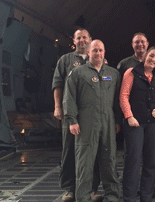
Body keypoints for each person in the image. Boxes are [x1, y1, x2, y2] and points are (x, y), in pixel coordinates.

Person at [63, 40, 121, 202]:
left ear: (104, 52)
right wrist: (72, 120)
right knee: (85, 162)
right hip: (86, 122)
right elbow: (69, 98)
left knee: (109, 159)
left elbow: (118, 100)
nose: (98, 53)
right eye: (95, 50)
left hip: (108, 122)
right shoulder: (78, 73)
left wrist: (118, 121)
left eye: (101, 50)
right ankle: (83, 197)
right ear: (88, 52)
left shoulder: (113, 74)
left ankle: (113, 196)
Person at [52, 28, 101, 202]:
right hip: (70, 113)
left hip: (91, 114)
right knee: (69, 150)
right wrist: (58, 107)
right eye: (78, 38)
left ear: (90, 39)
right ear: (73, 40)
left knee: (92, 150)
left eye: (85, 37)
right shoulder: (65, 60)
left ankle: (92, 189)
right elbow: (58, 84)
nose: (82, 40)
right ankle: (69, 189)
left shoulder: (97, 58)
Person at [119, 46, 155, 202]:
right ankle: (129, 197)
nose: (153, 60)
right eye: (151, 56)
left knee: (151, 160)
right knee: (133, 160)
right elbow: (124, 96)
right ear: (146, 55)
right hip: (135, 123)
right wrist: (129, 116)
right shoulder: (131, 72)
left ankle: (146, 196)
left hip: (154, 124)